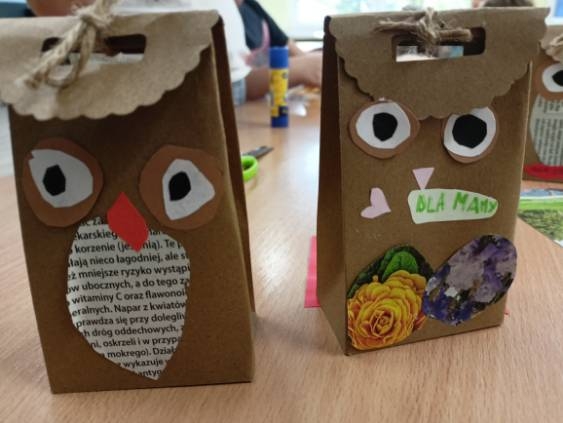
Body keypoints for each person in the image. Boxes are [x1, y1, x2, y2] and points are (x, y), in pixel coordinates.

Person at [27, 0, 322, 103]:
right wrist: (294, 69)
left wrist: (296, 67)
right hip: (149, 111)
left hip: (224, 107)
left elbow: (232, 83)